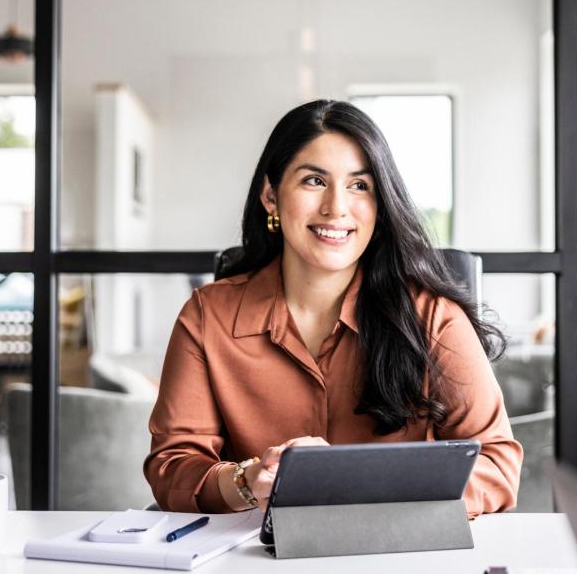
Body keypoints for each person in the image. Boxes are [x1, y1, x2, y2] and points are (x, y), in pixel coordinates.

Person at [144, 99, 522, 517]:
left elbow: (496, 464)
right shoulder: (206, 316)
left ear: (380, 208)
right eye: (313, 181)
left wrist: (361, 484)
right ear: (271, 196)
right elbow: (172, 466)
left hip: (399, 552)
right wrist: (248, 481)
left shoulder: (433, 318)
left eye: (360, 186)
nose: (336, 208)